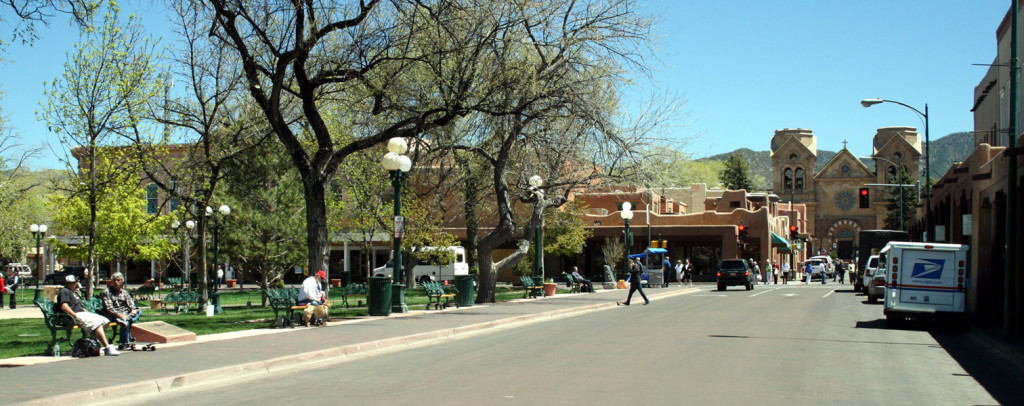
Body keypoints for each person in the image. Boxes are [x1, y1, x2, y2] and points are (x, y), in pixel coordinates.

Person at [56, 275, 119, 356]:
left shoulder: (72, 292)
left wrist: (84, 311)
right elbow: (64, 306)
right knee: (97, 325)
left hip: (81, 313)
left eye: (73, 283)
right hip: (73, 316)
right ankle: (107, 347)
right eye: (71, 283)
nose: (73, 284)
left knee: (105, 321)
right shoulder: (64, 291)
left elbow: (76, 305)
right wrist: (74, 315)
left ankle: (94, 343)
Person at [101, 272, 141, 349]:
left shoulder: (124, 292)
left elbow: (131, 303)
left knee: (138, 311)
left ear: (122, 281)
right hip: (113, 315)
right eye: (114, 280)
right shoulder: (107, 292)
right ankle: (124, 343)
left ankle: (126, 319)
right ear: (112, 281)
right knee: (126, 321)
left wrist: (133, 310)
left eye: (118, 280)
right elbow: (109, 308)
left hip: (125, 314)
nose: (116, 282)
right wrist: (119, 315)